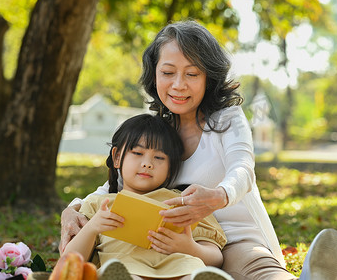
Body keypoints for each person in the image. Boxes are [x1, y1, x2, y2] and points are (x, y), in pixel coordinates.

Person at [60, 20, 337, 280]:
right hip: (174, 248)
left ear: (209, 77)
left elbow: (242, 169)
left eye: (192, 74)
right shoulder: (156, 132)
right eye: (168, 73)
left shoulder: (227, 119)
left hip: (233, 240)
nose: (179, 85)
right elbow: (117, 182)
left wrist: (219, 197)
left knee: (256, 270)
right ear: (154, 75)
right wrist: (72, 209)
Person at [60, 114, 233, 280]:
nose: (147, 163)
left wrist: (191, 248)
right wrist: (92, 227)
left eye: (159, 157)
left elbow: (216, 257)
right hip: (126, 268)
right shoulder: (98, 204)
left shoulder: (184, 202)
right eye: (137, 153)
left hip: (181, 268)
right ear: (117, 157)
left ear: (170, 169)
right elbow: (71, 259)